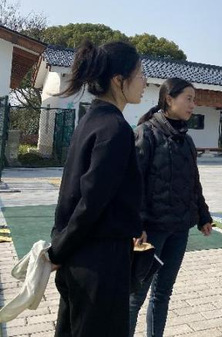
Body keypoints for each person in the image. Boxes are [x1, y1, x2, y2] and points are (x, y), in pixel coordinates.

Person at [48, 41, 147, 337]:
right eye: (140, 74)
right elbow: (92, 202)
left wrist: (61, 245)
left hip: (80, 257)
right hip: (100, 262)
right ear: (118, 80)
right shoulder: (116, 130)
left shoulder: (90, 120)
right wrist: (57, 251)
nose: (145, 82)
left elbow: (73, 193)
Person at [129, 77, 213, 337]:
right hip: (151, 232)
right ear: (169, 99)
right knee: (136, 296)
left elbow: (194, 182)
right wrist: (137, 225)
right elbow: (133, 184)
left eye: (194, 100)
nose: (193, 105)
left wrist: (203, 215)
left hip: (179, 230)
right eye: (188, 99)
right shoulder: (146, 133)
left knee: (163, 293)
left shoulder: (186, 141)